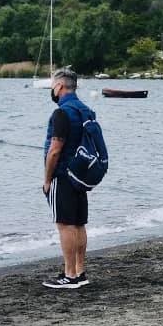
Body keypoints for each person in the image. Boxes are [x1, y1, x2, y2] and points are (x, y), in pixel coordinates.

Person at [42, 68, 94, 289]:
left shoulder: (62, 113)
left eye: (53, 85)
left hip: (63, 174)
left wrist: (47, 179)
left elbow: (55, 149)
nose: (52, 89)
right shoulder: (86, 110)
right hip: (81, 175)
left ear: (60, 86)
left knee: (65, 225)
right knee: (79, 223)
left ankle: (69, 274)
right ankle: (80, 271)